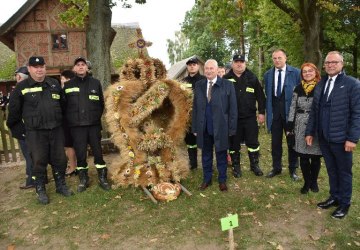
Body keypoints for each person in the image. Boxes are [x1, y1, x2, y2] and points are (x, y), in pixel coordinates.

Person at [7, 56, 73, 204]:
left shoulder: (54, 84)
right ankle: (40, 189)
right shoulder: (21, 87)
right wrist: (22, 132)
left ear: (45, 68)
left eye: (42, 66)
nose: (39, 70)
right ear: (29, 69)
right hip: (35, 132)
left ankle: (60, 185)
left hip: (55, 130)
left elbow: (62, 106)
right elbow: (13, 114)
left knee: (60, 160)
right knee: (38, 162)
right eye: (35, 67)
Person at [305, 51, 360, 219]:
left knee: (344, 172)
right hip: (324, 137)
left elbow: (357, 113)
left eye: (334, 62)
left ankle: (344, 203)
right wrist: (310, 131)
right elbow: (315, 111)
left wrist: (352, 138)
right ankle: (334, 197)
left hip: (342, 139)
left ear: (342, 64)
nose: (330, 65)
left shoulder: (352, 84)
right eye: (327, 62)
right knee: (331, 170)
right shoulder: (321, 84)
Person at [63, 56, 111, 192]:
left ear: (86, 67)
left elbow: (101, 104)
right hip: (77, 128)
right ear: (74, 68)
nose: (80, 67)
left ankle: (102, 177)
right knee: (80, 154)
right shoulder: (68, 85)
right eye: (77, 65)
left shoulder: (95, 83)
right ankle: (84, 179)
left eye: (83, 64)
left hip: (93, 126)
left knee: (98, 152)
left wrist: (95, 118)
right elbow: (64, 106)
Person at [192, 59, 237, 192]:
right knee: (206, 154)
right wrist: (195, 127)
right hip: (204, 126)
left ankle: (222, 180)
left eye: (212, 68)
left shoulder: (227, 85)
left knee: (221, 154)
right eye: (207, 68)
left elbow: (233, 108)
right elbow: (195, 108)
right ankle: (207, 179)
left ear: (217, 70)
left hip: (221, 126)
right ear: (203, 70)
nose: (209, 71)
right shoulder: (199, 85)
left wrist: (232, 128)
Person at [223, 55, 266, 177]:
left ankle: (255, 165)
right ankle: (236, 167)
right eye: (236, 62)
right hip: (233, 119)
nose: (239, 64)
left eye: (241, 62)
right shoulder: (226, 79)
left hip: (250, 117)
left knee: (253, 143)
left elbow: (260, 97)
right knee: (233, 143)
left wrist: (261, 112)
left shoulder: (252, 77)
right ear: (232, 64)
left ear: (245, 64)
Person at [264, 49, 301, 180]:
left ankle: (293, 170)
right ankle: (276, 167)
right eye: (274, 58)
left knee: (292, 142)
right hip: (275, 115)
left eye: (279, 58)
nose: (277, 60)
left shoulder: (296, 73)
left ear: (285, 58)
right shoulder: (268, 74)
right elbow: (268, 96)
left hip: (290, 115)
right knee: (275, 143)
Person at [286, 63, 322, 194]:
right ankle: (307, 183)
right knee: (304, 156)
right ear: (302, 74)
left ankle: (314, 182)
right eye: (305, 72)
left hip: (316, 126)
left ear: (315, 72)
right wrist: (290, 125)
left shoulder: (321, 87)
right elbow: (292, 107)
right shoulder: (297, 88)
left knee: (316, 156)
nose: (307, 73)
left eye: (310, 71)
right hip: (300, 125)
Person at [9, 66, 35, 189]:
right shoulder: (33, 87)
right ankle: (42, 177)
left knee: (29, 154)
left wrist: (10, 124)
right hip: (33, 126)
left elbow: (14, 111)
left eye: (16, 75)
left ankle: (31, 180)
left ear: (19, 76)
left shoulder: (18, 89)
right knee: (35, 154)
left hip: (23, 127)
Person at [182, 57, 206, 170]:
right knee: (190, 140)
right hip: (188, 115)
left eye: (194, 64)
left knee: (205, 138)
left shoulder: (204, 80)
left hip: (202, 114)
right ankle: (193, 163)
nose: (192, 66)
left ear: (198, 66)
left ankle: (207, 162)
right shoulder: (183, 82)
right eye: (190, 64)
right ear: (187, 67)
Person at [60, 70, 77, 176]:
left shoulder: (66, 91)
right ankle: (74, 166)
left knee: (71, 145)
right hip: (66, 121)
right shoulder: (61, 90)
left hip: (70, 121)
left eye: (62, 78)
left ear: (68, 80)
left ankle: (73, 167)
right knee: (70, 145)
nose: (61, 80)